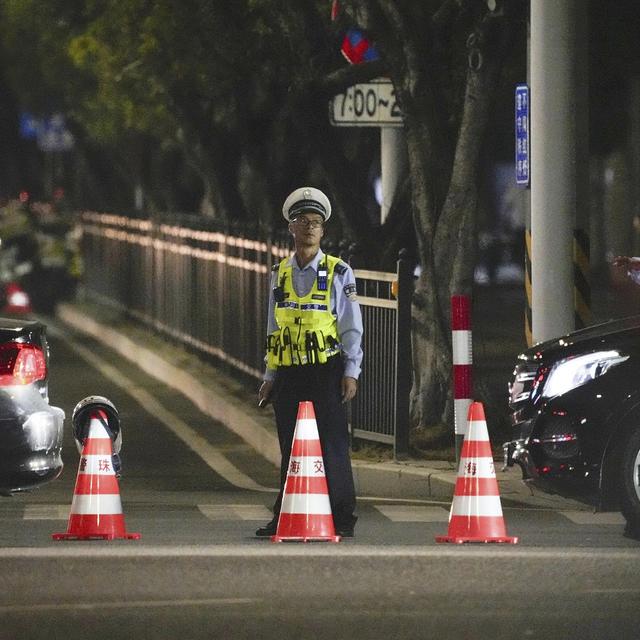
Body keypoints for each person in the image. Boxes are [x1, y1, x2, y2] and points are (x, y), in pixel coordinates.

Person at [256, 187, 363, 538]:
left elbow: (350, 326)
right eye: (303, 221)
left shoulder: (339, 272)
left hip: (325, 369)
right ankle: (285, 513)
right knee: (290, 446)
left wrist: (351, 371)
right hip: (288, 371)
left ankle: (342, 516)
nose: (310, 228)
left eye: (316, 223)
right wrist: (270, 375)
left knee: (332, 444)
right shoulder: (280, 272)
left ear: (323, 231)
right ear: (291, 227)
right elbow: (274, 326)